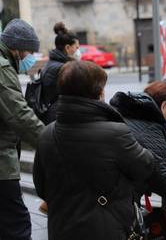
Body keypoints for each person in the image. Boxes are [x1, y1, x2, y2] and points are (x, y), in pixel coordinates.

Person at [33, 61, 155, 240]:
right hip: (106, 230)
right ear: (98, 94)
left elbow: (42, 188)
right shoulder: (115, 133)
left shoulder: (47, 134)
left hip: (61, 230)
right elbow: (144, 168)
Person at [110, 81, 166, 205]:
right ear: (164, 106)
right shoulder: (152, 129)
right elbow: (161, 179)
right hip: (123, 202)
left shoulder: (123, 112)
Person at [0, 18, 45, 240]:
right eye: (29, 52)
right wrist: (50, 140)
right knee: (17, 225)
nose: (30, 58)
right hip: (1, 162)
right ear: (16, 48)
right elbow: (19, 114)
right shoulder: (1, 67)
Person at [40, 22, 80, 125]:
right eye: (76, 47)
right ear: (67, 48)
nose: (78, 51)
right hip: (59, 118)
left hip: (52, 115)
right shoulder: (63, 68)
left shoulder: (51, 63)